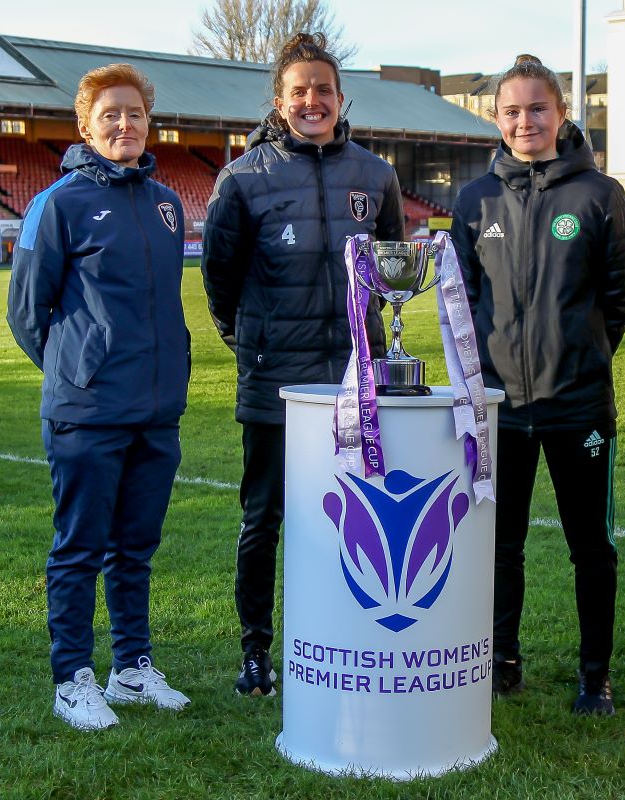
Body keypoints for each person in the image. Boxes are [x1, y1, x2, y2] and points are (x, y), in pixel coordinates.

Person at [201, 32, 404, 697]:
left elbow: (394, 269)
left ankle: (345, 636)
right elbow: (220, 284)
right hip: (277, 386)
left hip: (356, 382)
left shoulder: (376, 176)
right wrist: (255, 345)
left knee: (357, 513)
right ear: (279, 101)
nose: (311, 100)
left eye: (323, 89)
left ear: (341, 99)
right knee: (264, 519)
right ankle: (256, 652)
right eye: (299, 91)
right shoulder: (243, 178)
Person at [451, 55, 625, 715]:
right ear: (497, 119)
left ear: (560, 113)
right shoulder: (474, 201)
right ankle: (502, 661)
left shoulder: (599, 195)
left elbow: (620, 297)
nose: (525, 120)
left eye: (537, 108)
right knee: (500, 546)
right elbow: (462, 302)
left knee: (591, 547)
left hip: (577, 405)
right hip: (499, 410)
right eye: (512, 111)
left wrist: (578, 357)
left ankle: (595, 676)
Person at [7, 63, 192, 731]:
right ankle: (72, 678)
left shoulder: (169, 204)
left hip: (156, 410)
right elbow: (28, 313)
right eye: (110, 114)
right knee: (79, 548)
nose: (124, 124)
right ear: (84, 125)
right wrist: (78, 372)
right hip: (87, 413)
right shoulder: (56, 203)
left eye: (135, 113)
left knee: (135, 549)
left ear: (149, 123)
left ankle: (133, 670)